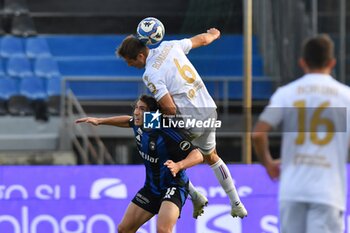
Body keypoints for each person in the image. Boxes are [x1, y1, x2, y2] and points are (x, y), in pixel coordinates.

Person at [116, 28, 247, 218]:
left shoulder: (150, 74)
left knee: (162, 151)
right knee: (212, 157)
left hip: (190, 120)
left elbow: (169, 109)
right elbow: (201, 39)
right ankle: (236, 204)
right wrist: (214, 35)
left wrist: (150, 117)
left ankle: (194, 195)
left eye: (130, 61)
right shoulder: (170, 46)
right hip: (209, 110)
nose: (129, 65)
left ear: (140, 56)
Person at [252, 34, 349, 233]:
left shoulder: (287, 93)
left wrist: (269, 163)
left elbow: (258, 134)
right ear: (332, 62)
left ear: (303, 62)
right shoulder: (345, 96)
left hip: (292, 189)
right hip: (328, 190)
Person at [76, 95, 203, 233]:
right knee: (124, 229)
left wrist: (179, 165)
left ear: (152, 114)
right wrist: (99, 121)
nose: (136, 112)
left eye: (142, 109)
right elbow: (127, 120)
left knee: (163, 230)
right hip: (151, 189)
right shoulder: (140, 124)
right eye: (136, 108)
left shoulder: (166, 131)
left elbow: (197, 155)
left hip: (173, 187)